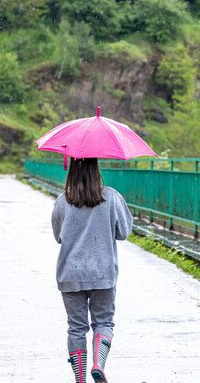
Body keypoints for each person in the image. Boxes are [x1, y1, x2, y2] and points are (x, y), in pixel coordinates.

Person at [51, 157, 133, 383]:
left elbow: (59, 236)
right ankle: (98, 363)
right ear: (96, 170)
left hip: (70, 274)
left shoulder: (62, 201)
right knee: (103, 322)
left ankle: (80, 379)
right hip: (103, 274)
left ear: (72, 173)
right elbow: (124, 232)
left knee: (76, 328)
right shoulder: (111, 197)